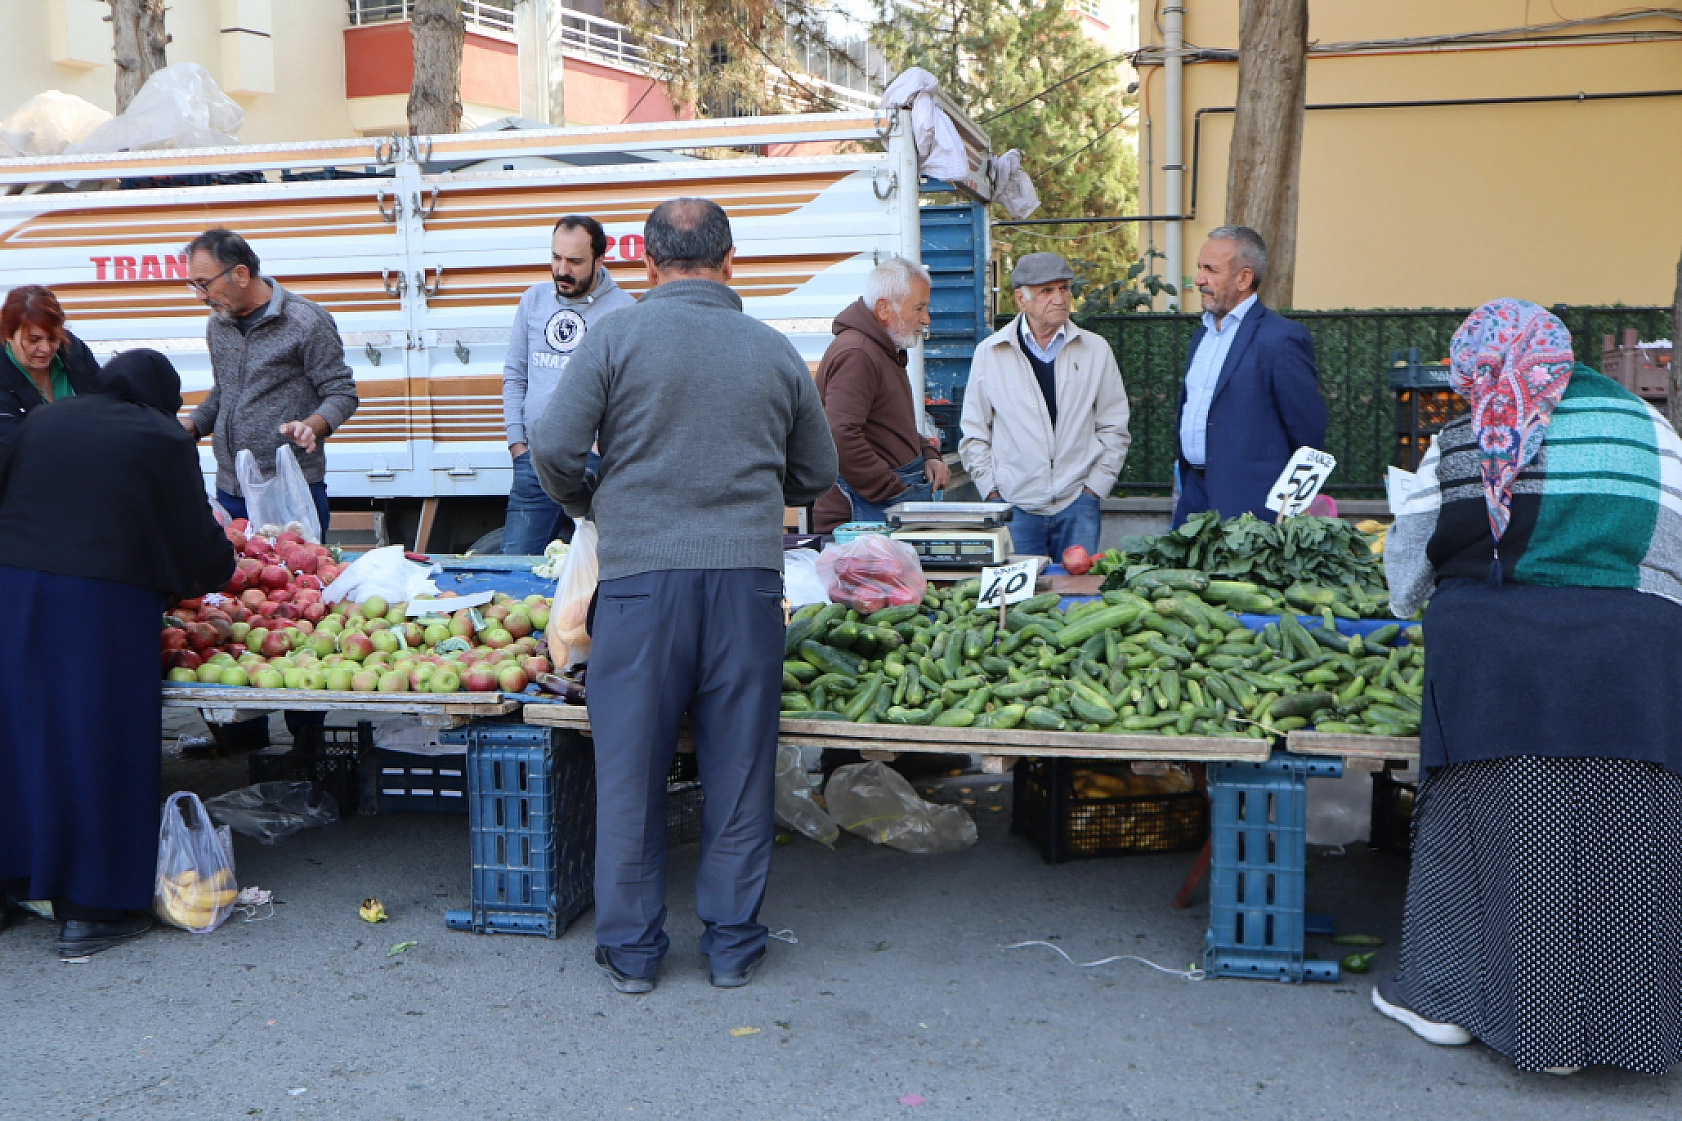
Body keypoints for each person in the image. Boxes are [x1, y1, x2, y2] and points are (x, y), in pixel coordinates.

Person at [529, 198, 836, 994]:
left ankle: (632, 955)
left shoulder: (614, 338)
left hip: (636, 593)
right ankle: (732, 946)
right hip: (747, 591)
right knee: (738, 773)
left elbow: (554, 447)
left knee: (630, 775)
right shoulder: (774, 351)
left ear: (646, 265)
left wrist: (592, 497)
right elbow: (816, 474)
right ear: (732, 263)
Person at [1377, 298, 1682, 1076]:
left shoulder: (1462, 438)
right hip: (1633, 669)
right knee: (1630, 842)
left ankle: (1453, 1005)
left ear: (1477, 365)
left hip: (1497, 672)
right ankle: (1632, 1031)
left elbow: (1406, 581)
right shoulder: (1654, 431)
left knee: (1507, 838)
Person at [0, 350, 234, 958]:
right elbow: (192, 534)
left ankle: (15, 883)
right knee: (99, 742)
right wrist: (213, 571)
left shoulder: (47, 418)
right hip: (99, 605)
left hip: (15, 590)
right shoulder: (160, 435)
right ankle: (92, 910)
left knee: (21, 736)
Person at [181, 227, 359, 538]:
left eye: (204, 284)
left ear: (240, 274)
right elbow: (224, 391)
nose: (199, 296)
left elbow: (341, 393)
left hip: (290, 491)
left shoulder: (306, 321)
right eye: (192, 285)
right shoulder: (218, 323)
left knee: (295, 580)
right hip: (230, 488)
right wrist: (192, 426)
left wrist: (312, 426)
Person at [958, 252, 1130, 558]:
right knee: (1020, 603)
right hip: (1015, 507)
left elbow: (1114, 426)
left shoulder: (1095, 350)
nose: (1060, 298)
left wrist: (1094, 490)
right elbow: (974, 433)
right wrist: (993, 494)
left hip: (1078, 504)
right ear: (1021, 300)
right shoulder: (990, 353)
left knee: (1078, 599)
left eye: (1063, 288)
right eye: (1046, 291)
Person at [1171, 225, 1326, 527]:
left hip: (1254, 510)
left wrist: (1289, 512)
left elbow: (1308, 432)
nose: (1199, 279)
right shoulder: (1201, 335)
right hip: (1194, 499)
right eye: (1199, 268)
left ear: (1243, 278)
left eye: (1210, 270)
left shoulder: (1280, 339)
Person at [501, 214, 635, 554]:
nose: (562, 270)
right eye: (556, 257)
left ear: (600, 260)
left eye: (575, 261)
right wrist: (518, 444)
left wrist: (602, 449)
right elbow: (515, 374)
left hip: (595, 467)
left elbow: (633, 394)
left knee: (595, 568)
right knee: (516, 561)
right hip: (534, 461)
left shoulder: (625, 311)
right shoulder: (533, 299)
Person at [813, 256, 949, 527]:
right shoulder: (858, 353)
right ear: (884, 309)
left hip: (877, 505)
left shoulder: (880, 349)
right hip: (864, 514)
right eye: (919, 308)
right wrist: (892, 489)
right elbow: (839, 435)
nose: (926, 319)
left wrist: (928, 455)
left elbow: (888, 427)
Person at [0, 285, 103, 454]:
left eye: (54, 338)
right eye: (34, 340)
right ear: (8, 335)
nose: (46, 348)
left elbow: (103, 405)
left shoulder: (73, 350)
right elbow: (13, 448)